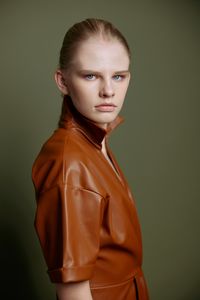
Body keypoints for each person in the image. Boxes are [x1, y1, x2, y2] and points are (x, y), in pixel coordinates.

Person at [31, 18, 149, 300]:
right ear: (63, 81)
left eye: (119, 76)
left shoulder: (94, 144)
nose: (109, 90)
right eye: (91, 76)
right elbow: (73, 291)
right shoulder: (69, 162)